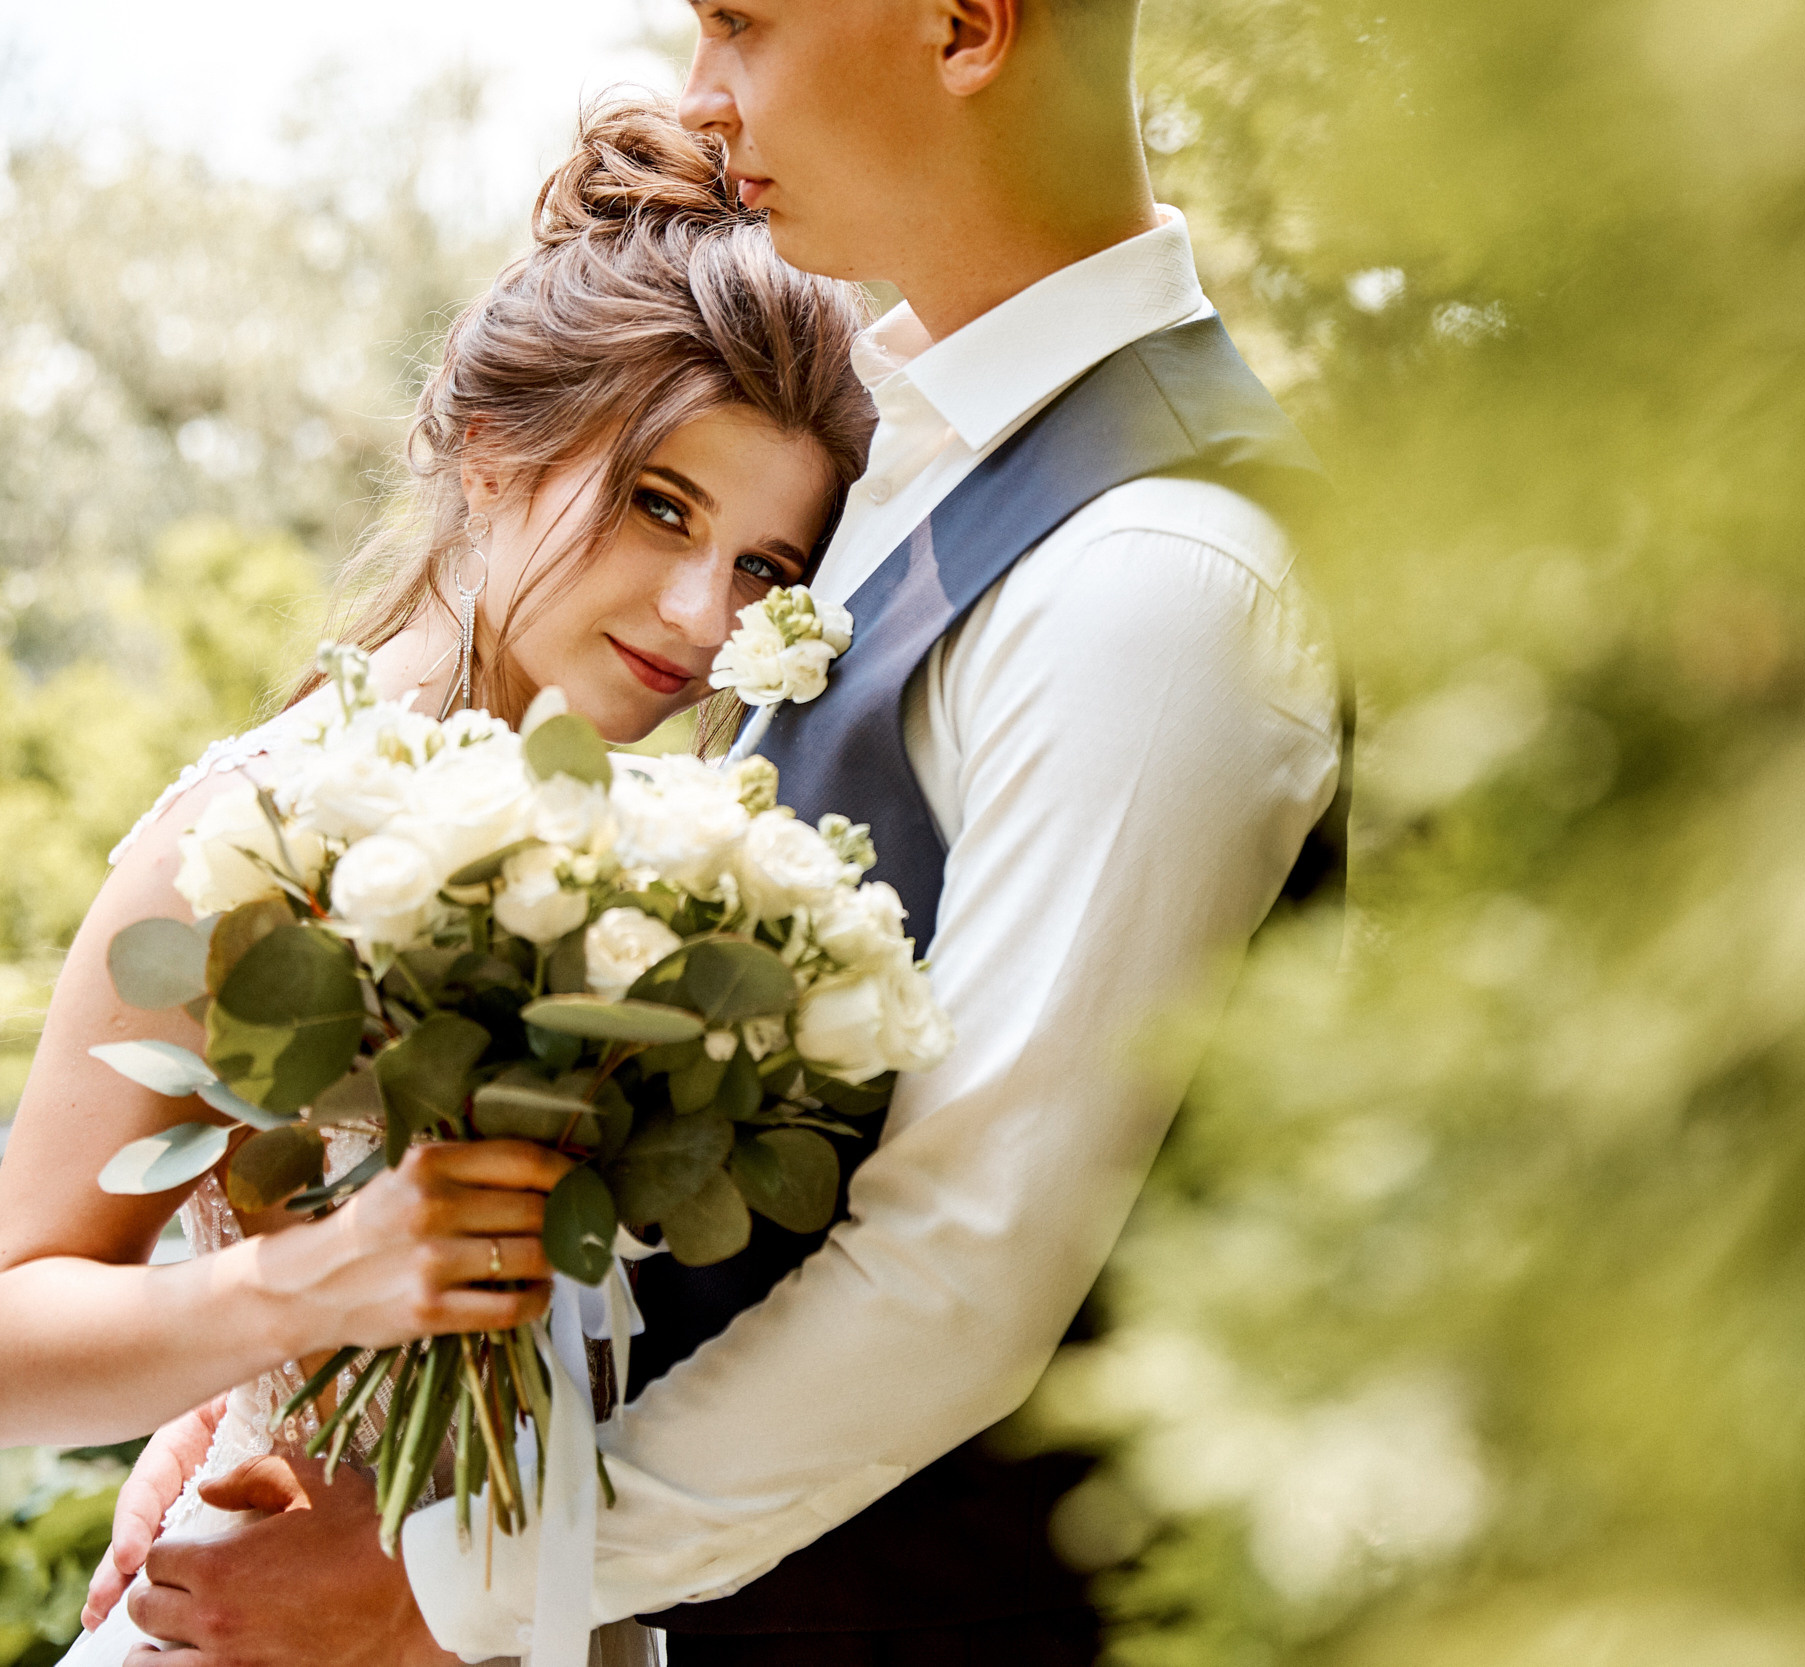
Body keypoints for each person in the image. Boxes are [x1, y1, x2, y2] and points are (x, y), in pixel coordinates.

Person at [97, 1, 1342, 1662]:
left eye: (743, 21)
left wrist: (442, 1581)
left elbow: (962, 1272)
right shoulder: (909, 472)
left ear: (967, 25)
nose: (699, 91)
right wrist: (302, 1403)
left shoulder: (1155, 570)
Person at [0, 98, 874, 1665]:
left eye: (765, 566)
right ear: (491, 452)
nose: (696, 610)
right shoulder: (251, 834)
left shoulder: (721, 892)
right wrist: (289, 1303)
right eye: (658, 503)